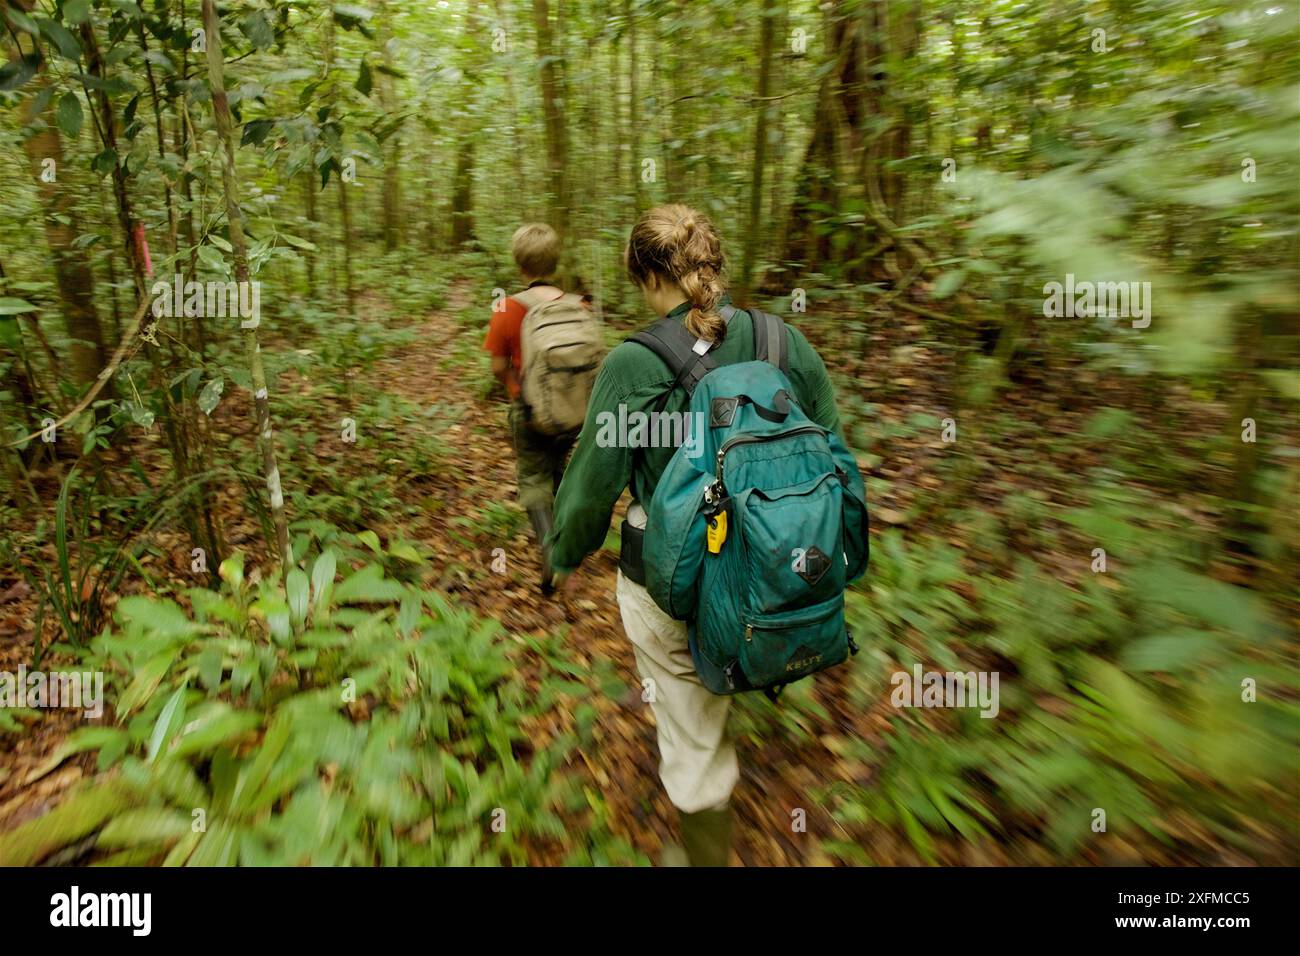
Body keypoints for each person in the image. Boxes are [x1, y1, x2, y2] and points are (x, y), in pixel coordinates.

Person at [546, 204, 850, 866]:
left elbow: (593, 487)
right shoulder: (781, 342)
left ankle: (707, 850)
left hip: (678, 579)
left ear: (644, 274)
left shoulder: (635, 363)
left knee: (692, 738)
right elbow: (831, 451)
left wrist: (563, 556)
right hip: (777, 567)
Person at [484, 223, 583, 593]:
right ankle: (567, 542)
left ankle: (552, 558)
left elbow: (497, 366)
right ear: (554, 262)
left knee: (533, 478)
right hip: (572, 414)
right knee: (559, 471)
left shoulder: (507, 307)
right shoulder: (578, 305)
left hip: (530, 413)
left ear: (519, 264)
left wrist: (518, 392)